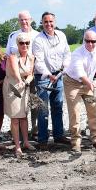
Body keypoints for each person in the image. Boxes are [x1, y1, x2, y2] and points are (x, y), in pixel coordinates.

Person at [32, 11, 71, 146]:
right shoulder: (38, 40)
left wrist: (64, 67)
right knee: (43, 109)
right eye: (46, 21)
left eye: (51, 21)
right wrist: (49, 74)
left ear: (55, 22)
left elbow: (67, 53)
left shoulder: (61, 35)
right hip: (43, 77)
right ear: (42, 23)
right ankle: (42, 139)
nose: (49, 24)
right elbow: (39, 62)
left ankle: (58, 135)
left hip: (58, 75)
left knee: (58, 106)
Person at [64, 30, 96, 152]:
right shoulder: (77, 53)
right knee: (75, 112)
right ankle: (76, 141)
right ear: (84, 40)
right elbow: (80, 73)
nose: (90, 44)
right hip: (73, 83)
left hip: (89, 82)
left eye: (93, 41)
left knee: (94, 110)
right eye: (87, 41)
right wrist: (91, 84)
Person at [5, 10, 39, 138]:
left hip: (33, 73)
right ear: (18, 21)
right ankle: (18, 130)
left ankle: (34, 128)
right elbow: (8, 54)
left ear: (31, 20)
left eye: (26, 19)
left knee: (34, 101)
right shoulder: (13, 35)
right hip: (16, 76)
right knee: (17, 102)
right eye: (21, 20)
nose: (24, 22)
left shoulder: (38, 35)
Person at [3, 33, 36, 157]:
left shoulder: (32, 57)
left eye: (27, 43)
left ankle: (26, 142)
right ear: (17, 44)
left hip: (25, 87)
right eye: (22, 43)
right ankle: (17, 146)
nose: (25, 45)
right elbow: (16, 73)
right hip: (13, 88)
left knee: (24, 116)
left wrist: (26, 81)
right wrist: (21, 80)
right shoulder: (12, 57)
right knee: (15, 118)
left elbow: (31, 73)